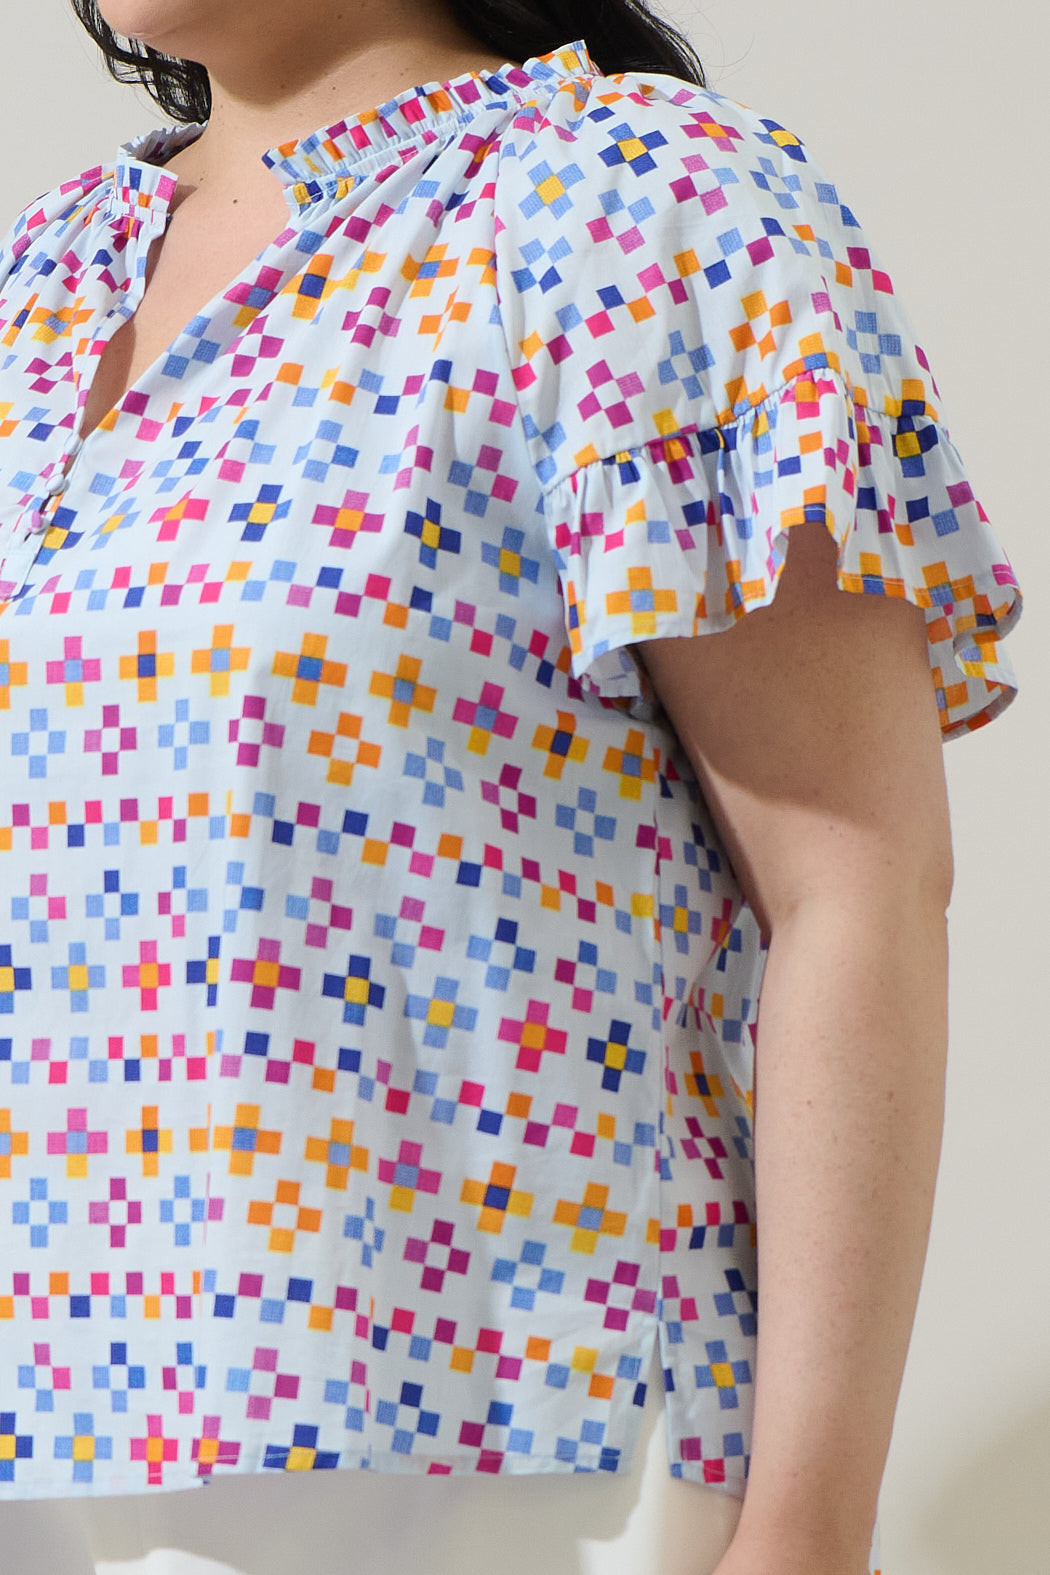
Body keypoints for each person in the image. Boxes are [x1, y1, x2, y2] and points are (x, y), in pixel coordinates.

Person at [0, 2, 1020, 1573]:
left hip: (521, 1457)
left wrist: (806, 1531)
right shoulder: (42, 276)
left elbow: (852, 883)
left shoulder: (630, 202)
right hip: (62, 1456)